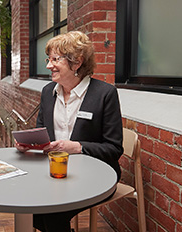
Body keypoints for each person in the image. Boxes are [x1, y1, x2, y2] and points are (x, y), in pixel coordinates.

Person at [15, 31, 123, 232]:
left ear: (77, 62)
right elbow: (43, 134)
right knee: (26, 203)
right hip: (54, 173)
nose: (48, 66)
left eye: (56, 59)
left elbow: (114, 149)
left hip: (95, 174)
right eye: (49, 59)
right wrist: (31, 144)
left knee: (51, 211)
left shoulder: (105, 94)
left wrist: (77, 147)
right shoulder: (48, 92)